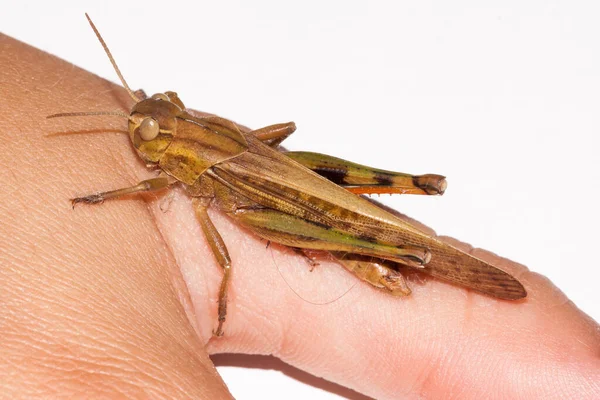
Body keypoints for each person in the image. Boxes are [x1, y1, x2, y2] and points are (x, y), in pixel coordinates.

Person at [0, 34, 598, 399]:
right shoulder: (206, 145)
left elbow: (224, 253)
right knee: (279, 166)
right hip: (261, 168)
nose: (148, 131)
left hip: (274, 197)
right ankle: (394, 245)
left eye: (157, 123)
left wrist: (104, 196)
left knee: (269, 221)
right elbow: (275, 136)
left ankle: (393, 246)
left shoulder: (187, 170)